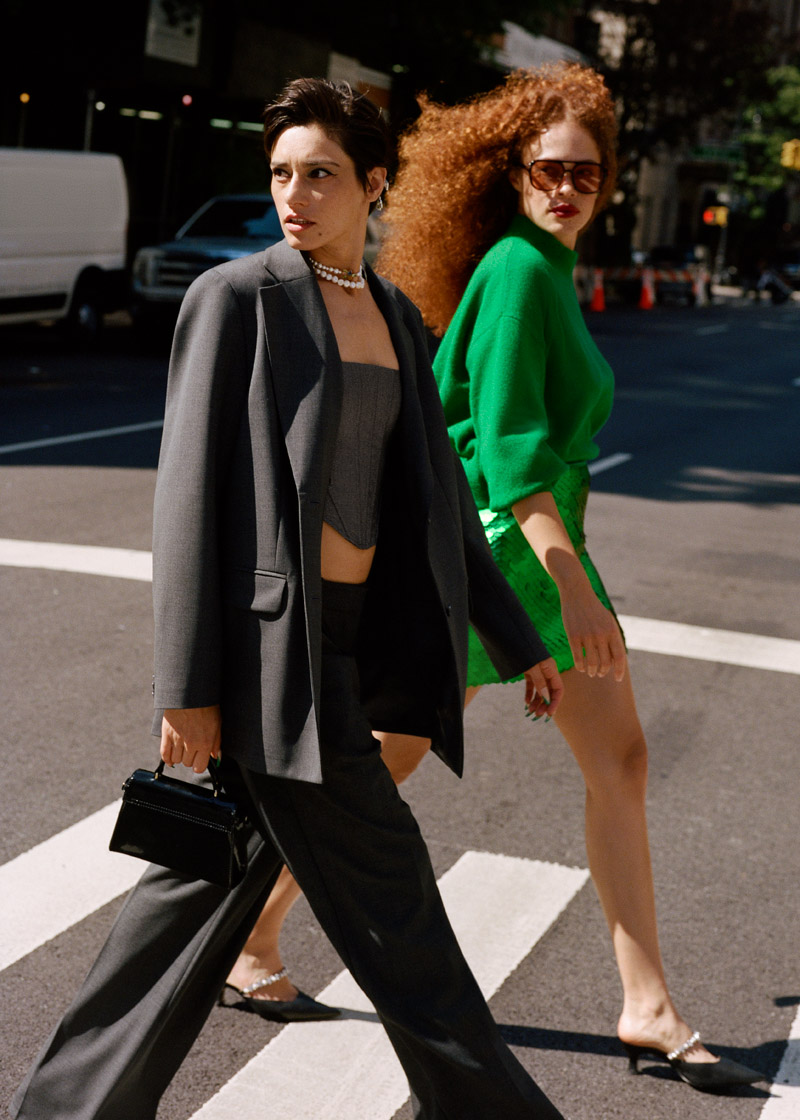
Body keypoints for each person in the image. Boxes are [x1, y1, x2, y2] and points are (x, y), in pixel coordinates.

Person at [9, 78, 568, 1120]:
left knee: (182, 911)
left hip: (352, 653)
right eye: (280, 174)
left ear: (373, 186)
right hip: (275, 664)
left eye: (319, 174)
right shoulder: (238, 299)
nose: (294, 195)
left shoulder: (396, 317)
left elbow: (442, 507)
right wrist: (187, 688)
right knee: (399, 908)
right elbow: (186, 500)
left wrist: (517, 635)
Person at [373, 62, 764, 1094]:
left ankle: (645, 1004)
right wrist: (573, 587)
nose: (565, 187)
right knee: (382, 763)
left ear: (606, 184)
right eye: (545, 168)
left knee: (619, 762)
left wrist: (570, 578)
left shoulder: (541, 266)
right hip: (497, 555)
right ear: (509, 174)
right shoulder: (516, 268)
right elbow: (505, 455)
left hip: (532, 552)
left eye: (584, 173)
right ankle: (245, 931)